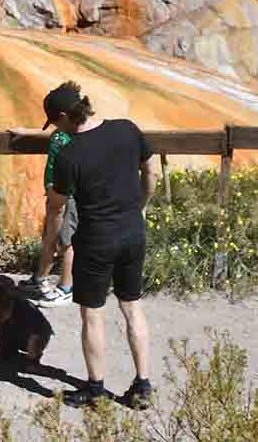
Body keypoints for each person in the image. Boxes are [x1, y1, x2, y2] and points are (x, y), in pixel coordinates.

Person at [42, 81, 157, 409]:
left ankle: (95, 388)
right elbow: (151, 172)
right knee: (132, 306)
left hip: (95, 240)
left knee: (92, 314)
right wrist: (140, 206)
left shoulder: (69, 154)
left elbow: (58, 202)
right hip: (132, 231)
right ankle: (143, 384)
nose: (57, 129)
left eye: (56, 122)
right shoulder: (127, 129)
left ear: (65, 116)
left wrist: (52, 199)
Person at [16, 128, 75, 307]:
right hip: (56, 194)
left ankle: (66, 288)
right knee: (49, 236)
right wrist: (26, 132)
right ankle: (40, 279)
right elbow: (52, 134)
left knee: (67, 241)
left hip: (67, 196)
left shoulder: (76, 136)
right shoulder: (61, 132)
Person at [0, 285, 53, 368]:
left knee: (36, 336)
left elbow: (40, 332)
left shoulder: (26, 312)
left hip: (35, 336)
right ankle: (8, 348)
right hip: (16, 330)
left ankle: (32, 361)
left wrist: (33, 356)